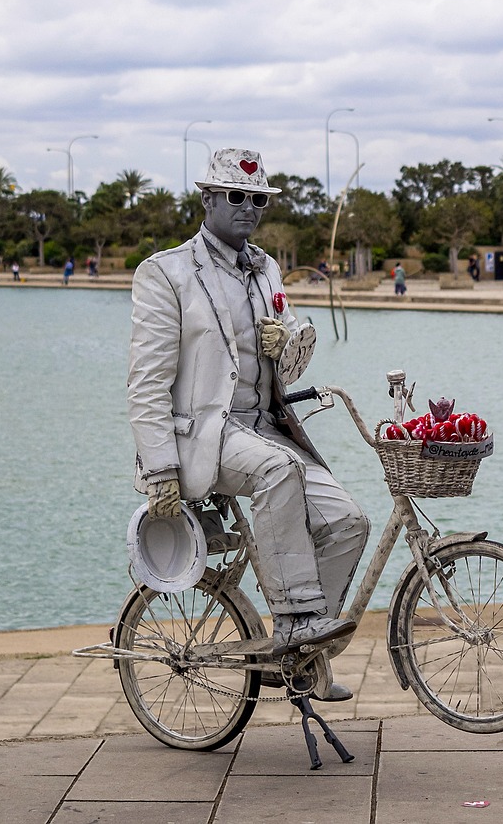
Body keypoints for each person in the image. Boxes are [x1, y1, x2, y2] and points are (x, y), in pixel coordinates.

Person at [128, 147, 369, 699]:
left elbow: (291, 361)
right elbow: (146, 381)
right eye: (236, 195)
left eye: (257, 198)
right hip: (206, 435)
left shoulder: (266, 270)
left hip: (264, 427)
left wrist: (289, 343)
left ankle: (301, 658)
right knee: (279, 471)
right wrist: (160, 465)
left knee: (350, 521)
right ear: (207, 198)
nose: (248, 207)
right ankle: (296, 624)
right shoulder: (166, 273)